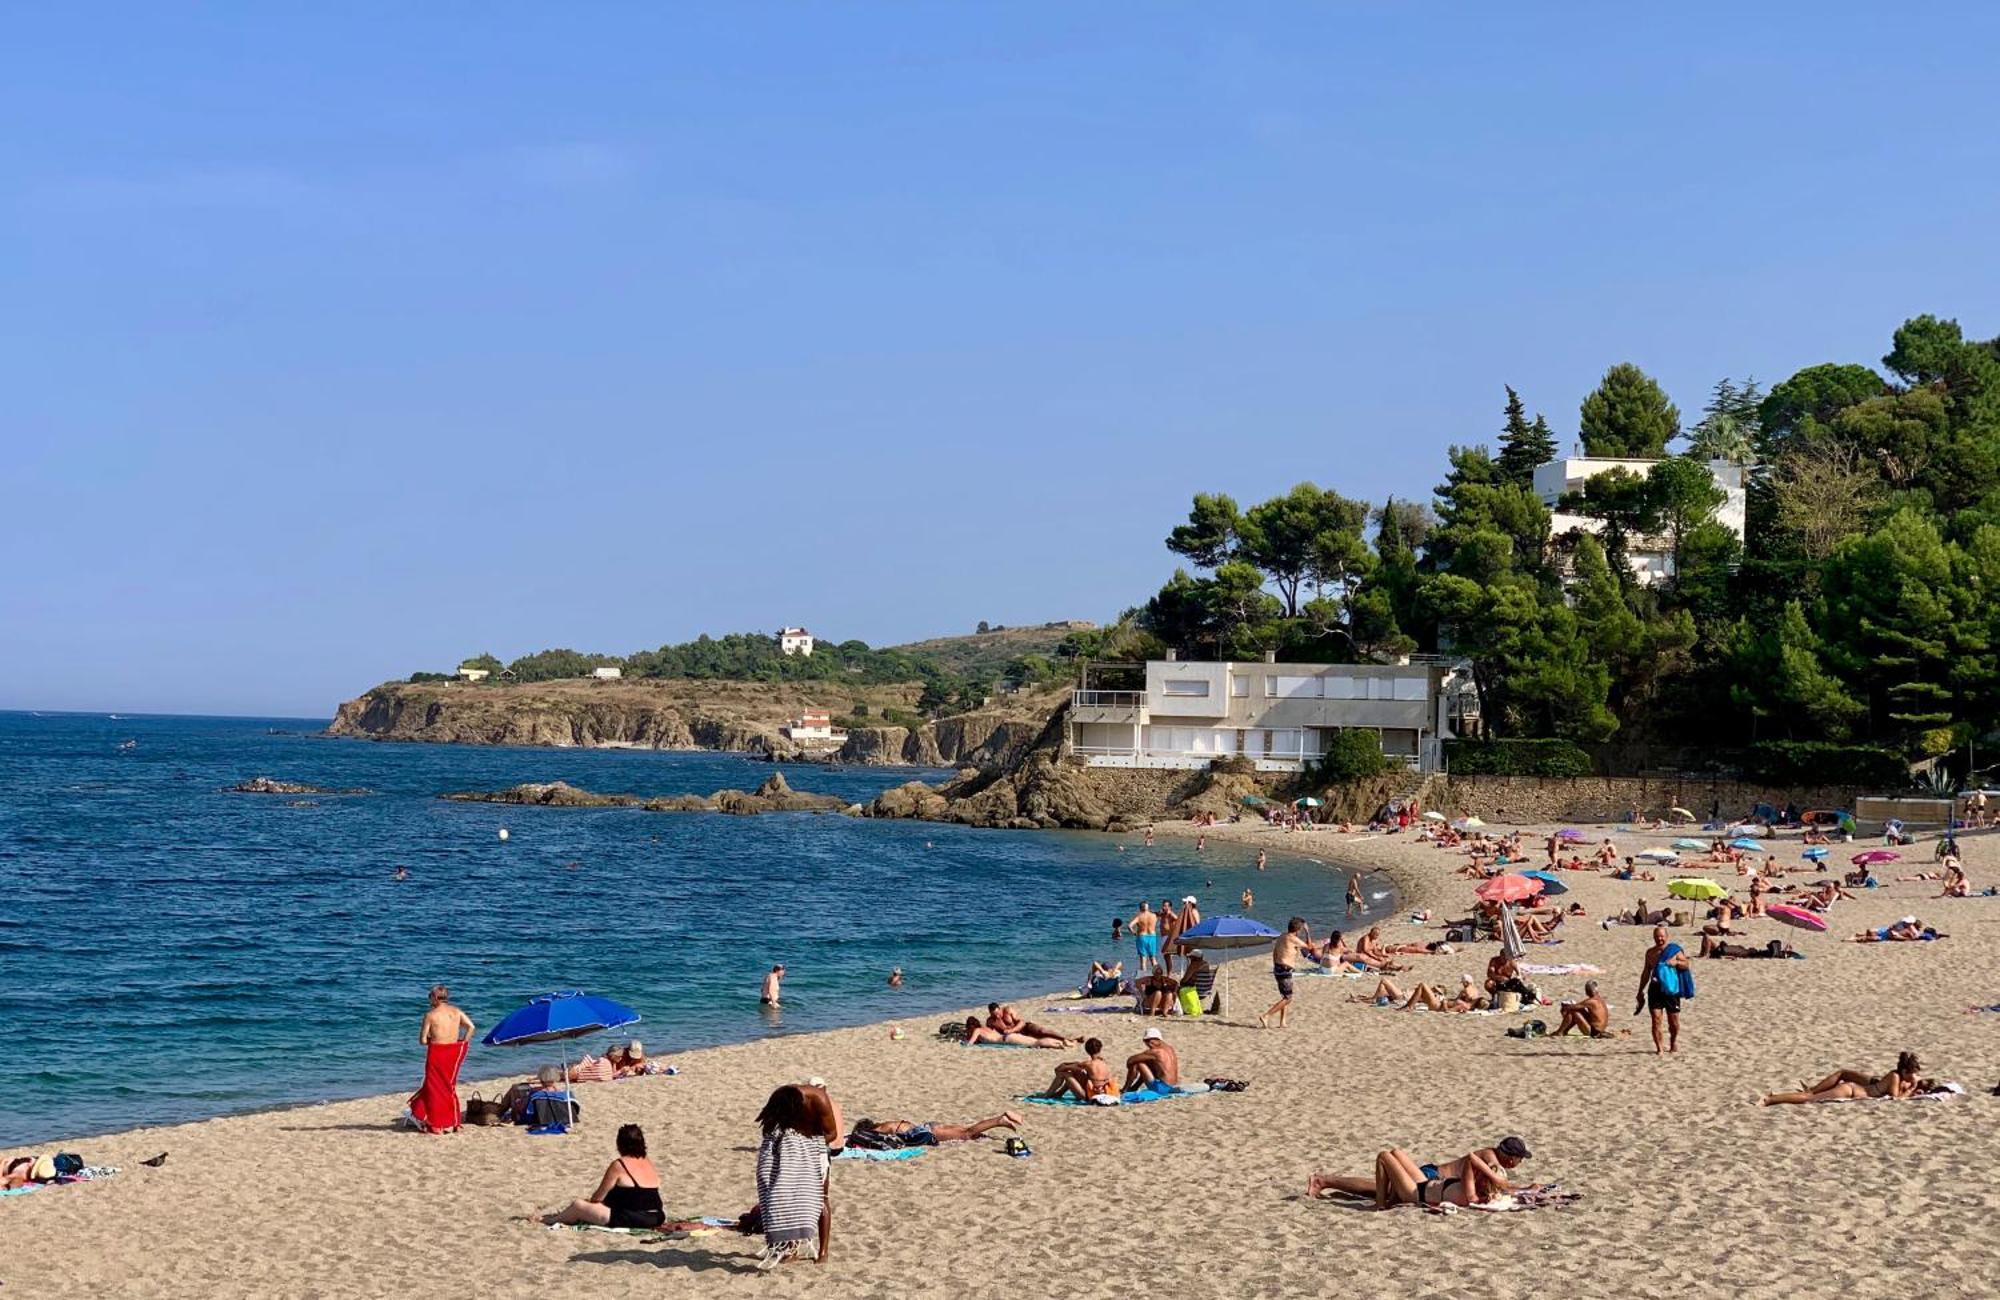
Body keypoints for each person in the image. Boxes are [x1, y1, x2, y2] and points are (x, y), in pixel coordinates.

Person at [1309, 1137, 1530, 1209]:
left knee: (1391, 1156)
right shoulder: (1490, 1161)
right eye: (1520, 1159)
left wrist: (1511, 1187)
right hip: (1430, 1179)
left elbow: (1497, 1187)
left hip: (1425, 1184)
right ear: (1511, 1158)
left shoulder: (1474, 1191)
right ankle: (1379, 1204)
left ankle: (1325, 1181)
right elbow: (1497, 1181)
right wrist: (1501, 1181)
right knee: (1382, 1172)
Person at [754, 1084, 837, 1268]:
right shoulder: (779, 1100)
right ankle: (791, 1248)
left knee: (821, 1197)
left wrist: (805, 1147)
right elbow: (767, 1129)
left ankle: (823, 1251)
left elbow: (832, 1133)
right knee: (784, 1197)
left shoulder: (819, 1099)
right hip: (789, 1149)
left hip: (815, 1149)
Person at [538, 1124, 665, 1228]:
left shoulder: (619, 1165)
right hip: (656, 1217)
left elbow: (598, 1197)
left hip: (632, 1218)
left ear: (619, 1144)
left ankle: (549, 1220)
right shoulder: (648, 1162)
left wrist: (593, 1202)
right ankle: (555, 1217)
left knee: (578, 1205)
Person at [410, 985, 473, 1134]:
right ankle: (454, 1122)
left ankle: (436, 1124)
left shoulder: (430, 1015)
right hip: (453, 1052)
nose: (429, 999)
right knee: (448, 1086)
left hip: (437, 1053)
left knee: (434, 1088)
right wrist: (462, 1042)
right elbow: (471, 1027)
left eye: (430, 996)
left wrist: (433, 1038)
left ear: (435, 998)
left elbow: (423, 1040)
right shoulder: (456, 1012)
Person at [1761, 1052, 1921, 1105]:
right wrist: (1912, 1090)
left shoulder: (1898, 1076)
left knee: (1810, 1097)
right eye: (1912, 1073)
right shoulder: (1894, 1076)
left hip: (1853, 1089)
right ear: (1905, 1071)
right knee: (1809, 1099)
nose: (1915, 1076)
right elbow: (1895, 1098)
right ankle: (1771, 1099)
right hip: (1850, 1090)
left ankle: (1772, 1098)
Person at [1636, 925, 1691, 1055]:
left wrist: (1676, 963)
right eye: (1657, 936)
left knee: (1674, 1021)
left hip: (1671, 989)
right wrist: (1640, 991)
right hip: (1655, 989)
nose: (1659, 939)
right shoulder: (1650, 953)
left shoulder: (1674, 951)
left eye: (1662, 936)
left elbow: (1686, 964)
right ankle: (1659, 1048)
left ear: (1666, 937)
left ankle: (1673, 1042)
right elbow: (1646, 972)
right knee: (1656, 1019)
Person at [845, 1112, 1023, 1148]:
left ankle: (1000, 1120)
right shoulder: (886, 1123)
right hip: (928, 1126)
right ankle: (998, 1122)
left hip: (929, 1132)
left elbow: (882, 1141)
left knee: (968, 1133)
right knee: (966, 1131)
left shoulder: (881, 1129)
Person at [1260, 917, 1310, 1029]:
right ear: (1298, 929)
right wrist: (1307, 932)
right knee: (1288, 998)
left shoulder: (1282, 936)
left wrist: (1275, 965)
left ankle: (1282, 1021)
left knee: (1284, 996)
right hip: (1284, 969)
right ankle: (1266, 1015)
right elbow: (1309, 947)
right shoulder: (1292, 938)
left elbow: (1275, 952)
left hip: (1278, 968)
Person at [1040, 1037, 1120, 1102]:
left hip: (1090, 1096)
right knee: (1078, 1073)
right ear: (1100, 1049)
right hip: (1107, 1093)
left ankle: (1047, 1095)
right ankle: (1059, 1094)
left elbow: (1060, 1068)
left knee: (1065, 1074)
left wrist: (1064, 1066)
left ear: (1087, 1051)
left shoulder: (1088, 1064)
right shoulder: (1104, 1063)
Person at [1124, 1027, 1181, 1092]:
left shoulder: (1156, 1052)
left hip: (1161, 1088)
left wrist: (1131, 1068)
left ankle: (1125, 1089)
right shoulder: (1170, 1048)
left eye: (1148, 1041)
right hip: (1173, 1086)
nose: (1149, 1044)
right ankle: (1134, 1087)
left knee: (1137, 1063)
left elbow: (1130, 1060)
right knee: (1149, 1063)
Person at [1129, 901, 1161, 973]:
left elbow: (1129, 926)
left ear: (1140, 908)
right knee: (1153, 958)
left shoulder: (1139, 916)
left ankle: (1144, 976)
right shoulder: (1154, 915)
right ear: (1148, 907)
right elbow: (1161, 914)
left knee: (1143, 960)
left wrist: (1134, 933)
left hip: (1142, 937)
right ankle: (1158, 974)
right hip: (1152, 936)